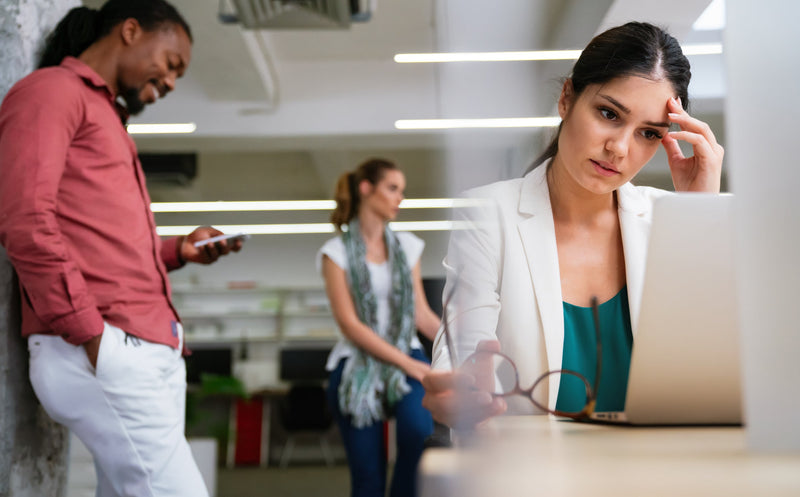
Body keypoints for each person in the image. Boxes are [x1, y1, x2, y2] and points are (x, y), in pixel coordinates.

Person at [421, 21, 725, 428]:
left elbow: (711, 376)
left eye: (648, 133)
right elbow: (463, 349)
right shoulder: (487, 214)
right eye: (608, 113)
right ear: (567, 98)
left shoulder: (671, 223)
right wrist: (458, 391)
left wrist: (699, 216)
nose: (619, 148)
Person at [0, 2, 244, 496]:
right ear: (130, 31)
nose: (173, 81)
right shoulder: (51, 92)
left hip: (143, 349)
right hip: (106, 348)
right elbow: (25, 218)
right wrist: (91, 337)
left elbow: (103, 241)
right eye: (171, 63)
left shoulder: (108, 116)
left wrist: (178, 250)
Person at [318, 158, 442, 497]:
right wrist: (406, 363)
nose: (399, 197)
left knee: (418, 434)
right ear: (365, 189)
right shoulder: (336, 253)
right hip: (357, 362)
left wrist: (463, 343)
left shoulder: (407, 245)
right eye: (392, 188)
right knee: (368, 478)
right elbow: (350, 324)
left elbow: (421, 315)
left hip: (409, 356)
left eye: (401, 191)